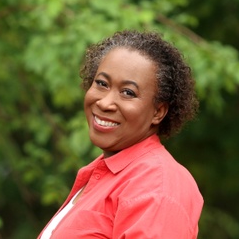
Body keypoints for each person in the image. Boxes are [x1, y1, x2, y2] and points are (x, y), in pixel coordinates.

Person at [38, 30, 203, 239]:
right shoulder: (102, 174)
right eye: (102, 84)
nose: (105, 103)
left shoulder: (156, 184)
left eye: (128, 93)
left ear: (158, 112)